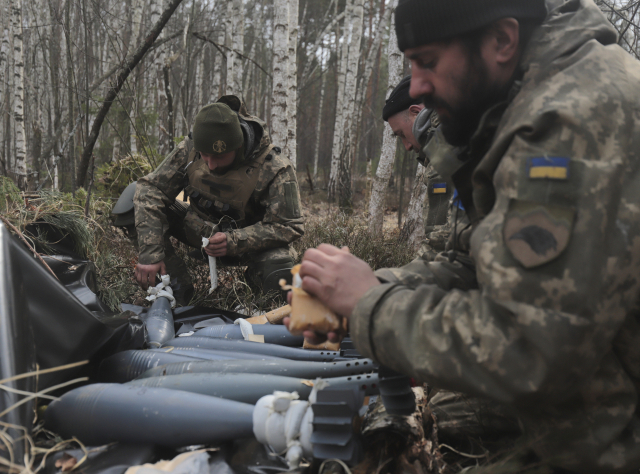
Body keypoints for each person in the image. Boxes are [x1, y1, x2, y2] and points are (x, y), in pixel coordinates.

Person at [291, 0, 640, 471]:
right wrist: (370, 285)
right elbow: (482, 264)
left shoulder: (565, 122)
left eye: (428, 62)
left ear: (502, 40)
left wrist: (372, 306)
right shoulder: (521, 100)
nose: (416, 87)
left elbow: (531, 349)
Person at [133, 95, 304, 304]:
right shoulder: (190, 147)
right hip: (194, 225)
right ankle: (174, 287)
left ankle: (257, 297)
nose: (211, 165)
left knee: (281, 272)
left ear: (238, 146)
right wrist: (151, 254)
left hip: (246, 244)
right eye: (204, 155)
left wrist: (234, 241)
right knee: (131, 204)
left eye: (220, 157)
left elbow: (288, 226)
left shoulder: (274, 168)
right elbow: (151, 189)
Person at [384, 75, 457, 260]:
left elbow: (441, 252)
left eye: (401, 134)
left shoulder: (447, 152)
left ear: (416, 112)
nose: (407, 146)